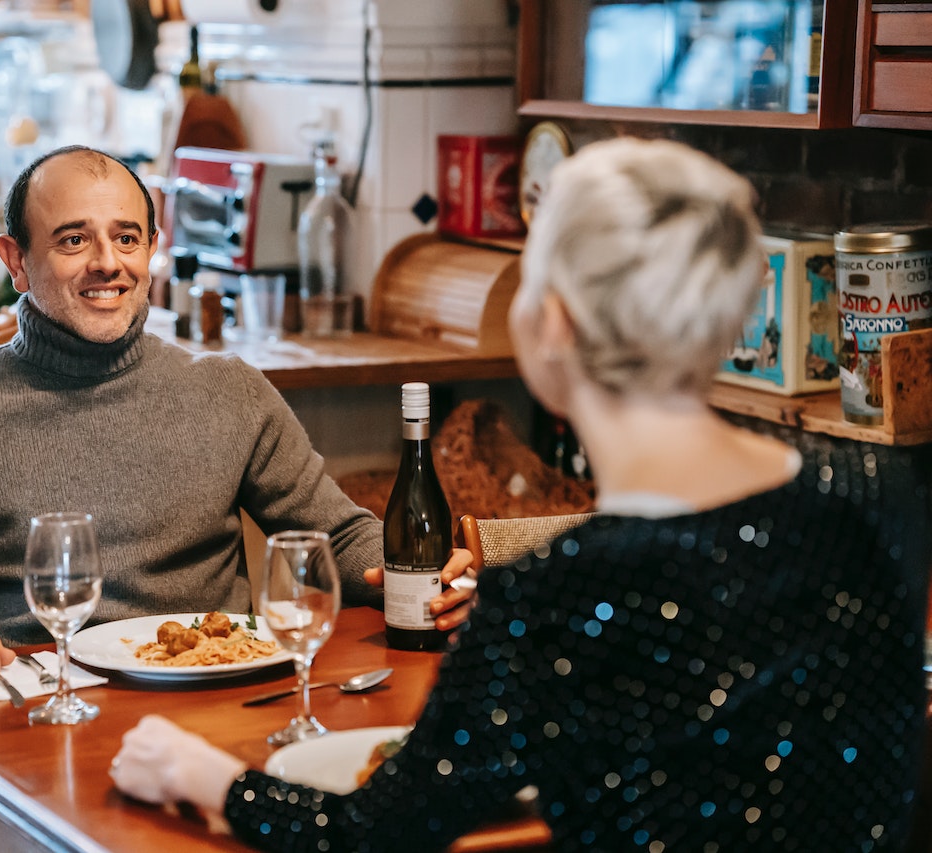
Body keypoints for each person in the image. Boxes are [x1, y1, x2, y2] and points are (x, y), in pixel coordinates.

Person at [110, 137, 932, 850]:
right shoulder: (875, 492)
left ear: (557, 324)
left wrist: (211, 777)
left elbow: (371, 834)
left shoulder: (554, 592)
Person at [0, 144, 475, 683]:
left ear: (152, 252)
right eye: (74, 239)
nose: (108, 263)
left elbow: (337, 538)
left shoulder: (230, 393)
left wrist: (421, 576)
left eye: (127, 238)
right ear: (16, 261)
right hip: (34, 730)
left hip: (218, 712)